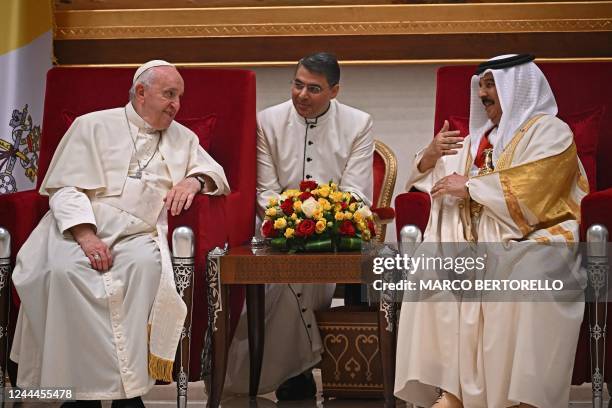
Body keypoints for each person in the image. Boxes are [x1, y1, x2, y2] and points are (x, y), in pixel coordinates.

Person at [10, 60, 230, 407]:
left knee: (144, 268)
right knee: (63, 272)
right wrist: (86, 236)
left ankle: (129, 393)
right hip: (79, 227)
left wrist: (194, 179)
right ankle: (77, 396)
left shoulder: (183, 137)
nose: (176, 105)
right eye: (169, 94)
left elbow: (214, 173)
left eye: (179, 97)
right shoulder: (92, 125)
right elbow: (65, 189)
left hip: (139, 233)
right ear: (141, 92)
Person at [394, 55, 589, 408]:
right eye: (480, 85)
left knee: (532, 277)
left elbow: (539, 187)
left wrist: (471, 186)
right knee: (430, 267)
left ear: (517, 87)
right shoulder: (476, 139)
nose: (483, 93)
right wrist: (428, 156)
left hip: (538, 234)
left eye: (490, 84)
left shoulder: (550, 131)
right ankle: (451, 390)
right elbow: (436, 180)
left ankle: (524, 400)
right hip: (479, 236)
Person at [224, 52, 373, 399]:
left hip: (331, 237)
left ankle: (286, 371)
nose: (302, 95)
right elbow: (265, 190)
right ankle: (299, 368)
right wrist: (287, 221)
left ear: (334, 91)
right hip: (275, 231)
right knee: (284, 276)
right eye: (297, 84)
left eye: (314, 89)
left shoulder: (359, 123)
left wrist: (323, 226)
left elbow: (355, 192)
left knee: (309, 270)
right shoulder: (267, 121)